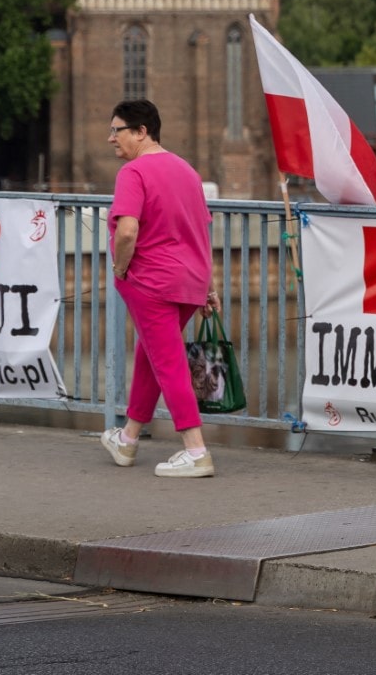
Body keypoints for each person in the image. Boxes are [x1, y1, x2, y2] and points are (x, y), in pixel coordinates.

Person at [98, 99, 222, 478]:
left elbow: (128, 229)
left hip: (151, 282)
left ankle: (196, 451)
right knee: (151, 356)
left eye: (117, 130)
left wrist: (120, 268)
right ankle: (128, 440)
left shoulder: (133, 173)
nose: (110, 138)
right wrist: (209, 287)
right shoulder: (186, 170)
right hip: (189, 281)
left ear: (141, 131)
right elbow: (199, 230)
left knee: (167, 363)